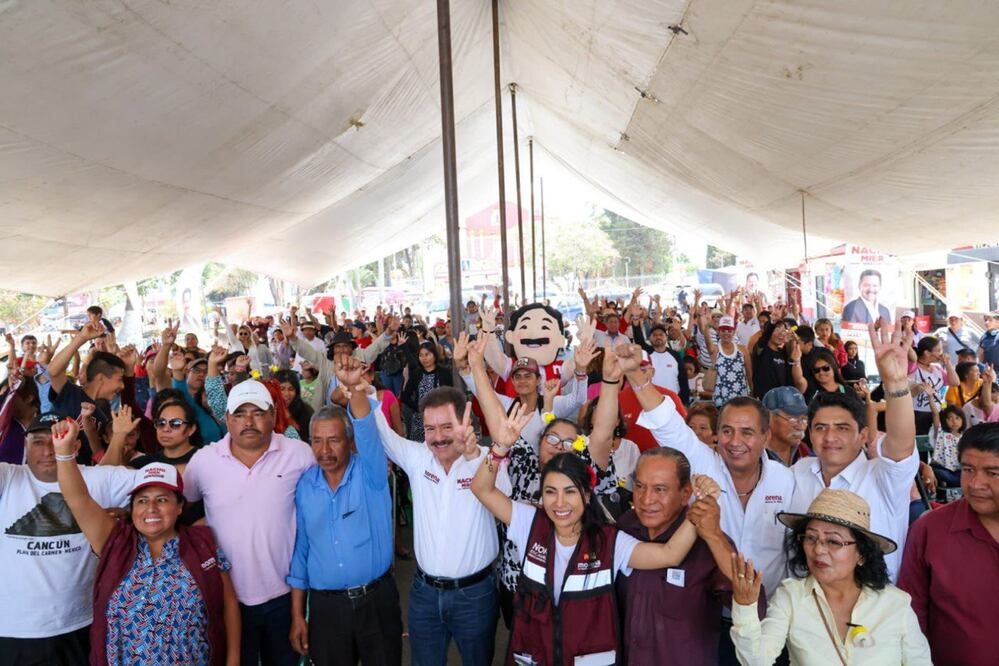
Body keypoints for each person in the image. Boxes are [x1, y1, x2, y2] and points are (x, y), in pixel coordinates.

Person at [471, 407, 726, 666]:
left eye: (570, 491)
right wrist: (499, 448)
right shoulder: (530, 523)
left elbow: (670, 553)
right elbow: (481, 489)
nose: (560, 503)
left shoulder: (609, 541)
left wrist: (700, 505)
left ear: (586, 494)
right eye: (550, 492)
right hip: (535, 656)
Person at [52, 419, 240, 665]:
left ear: (180, 506)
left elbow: (228, 604)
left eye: (162, 499)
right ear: (132, 508)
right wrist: (64, 453)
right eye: (142, 500)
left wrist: (233, 659)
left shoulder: (202, 544)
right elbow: (78, 499)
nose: (151, 508)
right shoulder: (116, 542)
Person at [182, 380, 315, 666]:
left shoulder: (299, 454)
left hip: (284, 595)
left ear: (272, 415)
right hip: (227, 598)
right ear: (227, 419)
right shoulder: (204, 461)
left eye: (257, 412)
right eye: (240, 414)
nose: (249, 421)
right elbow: (181, 505)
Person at [368, 384, 500, 666]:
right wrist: (365, 392)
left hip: (474, 596)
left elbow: (507, 493)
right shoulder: (417, 457)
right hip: (424, 595)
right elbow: (384, 435)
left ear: (466, 424)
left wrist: (473, 456)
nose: (438, 438)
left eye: (446, 427)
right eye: (430, 428)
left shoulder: (487, 459)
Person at [287, 358, 402, 666]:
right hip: (326, 610)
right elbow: (302, 552)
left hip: (376, 603)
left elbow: (366, 427)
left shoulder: (371, 473)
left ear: (350, 442)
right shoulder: (305, 486)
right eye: (317, 441)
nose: (324, 450)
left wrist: (353, 388)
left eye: (334, 440)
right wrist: (298, 615)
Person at [730, 489, 931, 665]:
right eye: (811, 538)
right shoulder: (791, 597)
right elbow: (756, 661)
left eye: (833, 541)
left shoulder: (895, 604)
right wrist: (745, 607)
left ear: (861, 553)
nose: (818, 549)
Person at [0, 412, 137, 666]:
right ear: (25, 446)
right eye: (38, 442)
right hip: (15, 630)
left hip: (79, 625)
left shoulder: (100, 478)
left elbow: (162, 485)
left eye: (57, 439)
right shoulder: (8, 478)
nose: (48, 450)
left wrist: (130, 514)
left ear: (75, 445)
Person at [790, 324, 918, 581]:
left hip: (873, 612)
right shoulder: (798, 472)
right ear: (810, 434)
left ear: (862, 435)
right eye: (820, 428)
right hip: (808, 610)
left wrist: (895, 383)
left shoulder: (883, 478)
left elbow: (902, 444)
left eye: (842, 428)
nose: (830, 437)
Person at [616, 448, 744, 665]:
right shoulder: (624, 528)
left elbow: (753, 605)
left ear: (686, 494)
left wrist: (713, 535)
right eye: (640, 486)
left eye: (660, 489)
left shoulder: (707, 542)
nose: (647, 499)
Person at [897, 422, 999, 665]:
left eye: (992, 473)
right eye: (968, 469)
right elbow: (910, 616)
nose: (975, 484)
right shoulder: (929, 530)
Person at [750, 320, 806, 399]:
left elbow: (793, 354)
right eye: (777, 330)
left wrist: (793, 340)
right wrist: (773, 321)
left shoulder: (782, 353)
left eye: (783, 331)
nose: (781, 334)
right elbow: (763, 340)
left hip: (781, 400)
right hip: (764, 399)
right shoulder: (761, 350)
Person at [705, 315, 751, 407]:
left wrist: (752, 391)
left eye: (729, 331)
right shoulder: (715, 350)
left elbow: (750, 373)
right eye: (723, 331)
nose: (726, 333)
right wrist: (707, 326)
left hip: (741, 395)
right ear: (718, 332)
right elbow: (707, 340)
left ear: (734, 332)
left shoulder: (742, 350)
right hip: (721, 398)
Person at [761, 387, 811, 467]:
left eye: (804, 419)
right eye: (793, 418)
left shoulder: (805, 452)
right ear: (769, 418)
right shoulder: (754, 457)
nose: (800, 427)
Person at [928, 403, 965, 490]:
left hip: (958, 470)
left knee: (966, 474)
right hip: (942, 468)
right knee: (940, 473)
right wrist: (930, 397)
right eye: (950, 418)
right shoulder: (941, 433)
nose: (954, 421)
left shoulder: (965, 437)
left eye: (957, 418)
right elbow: (935, 414)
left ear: (963, 420)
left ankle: (957, 484)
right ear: (945, 420)